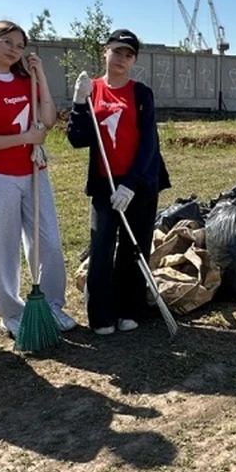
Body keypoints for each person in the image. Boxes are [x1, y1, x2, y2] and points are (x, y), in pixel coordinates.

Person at [0, 20, 76, 337]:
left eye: (20, 45)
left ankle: (52, 305)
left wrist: (40, 77)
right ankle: (10, 312)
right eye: (7, 42)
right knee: (2, 246)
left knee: (48, 241)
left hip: (35, 173)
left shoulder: (26, 82)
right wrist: (24, 137)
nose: (14, 50)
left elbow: (48, 120)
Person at [67, 29, 171, 335]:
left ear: (134, 60)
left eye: (128, 55)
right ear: (105, 52)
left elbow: (149, 144)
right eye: (117, 52)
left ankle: (130, 308)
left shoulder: (141, 94)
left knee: (134, 245)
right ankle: (100, 314)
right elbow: (77, 138)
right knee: (101, 245)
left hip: (139, 182)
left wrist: (132, 184)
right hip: (104, 183)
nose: (121, 59)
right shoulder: (92, 90)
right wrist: (79, 104)